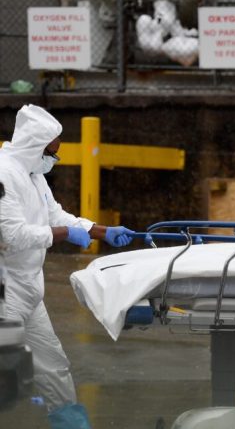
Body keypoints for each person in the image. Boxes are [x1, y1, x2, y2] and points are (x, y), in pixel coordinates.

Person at [0, 105, 135, 429]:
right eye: (52, 152)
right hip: (6, 292)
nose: (55, 160)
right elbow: (12, 235)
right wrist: (64, 235)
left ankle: (70, 424)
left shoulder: (33, 175)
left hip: (29, 289)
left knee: (53, 365)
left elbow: (56, 215)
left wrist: (101, 231)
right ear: (36, 147)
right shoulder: (4, 173)